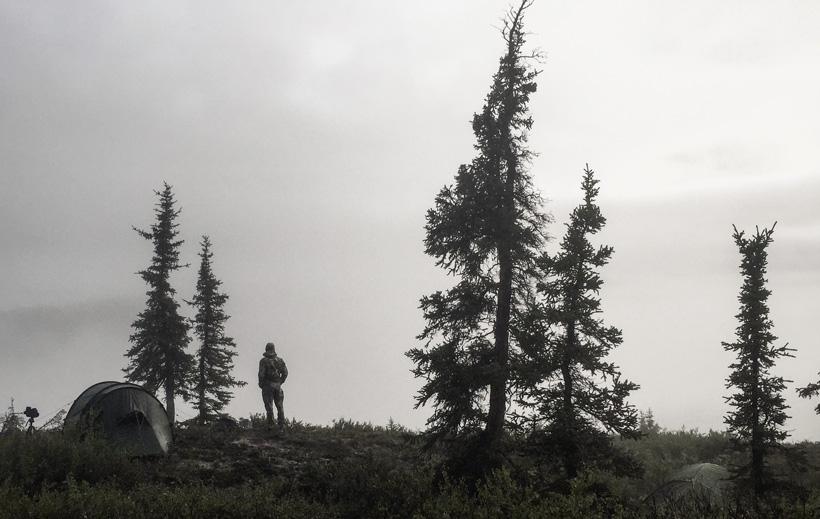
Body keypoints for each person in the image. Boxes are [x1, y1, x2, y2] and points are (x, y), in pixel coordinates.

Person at [258, 341, 288, 431]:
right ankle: (281, 426)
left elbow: (261, 374)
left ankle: (271, 426)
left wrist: (261, 384)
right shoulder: (280, 360)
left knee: (269, 406)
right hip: (278, 386)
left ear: (266, 349)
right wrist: (280, 382)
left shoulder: (263, 361)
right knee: (280, 406)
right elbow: (285, 373)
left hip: (268, 385)